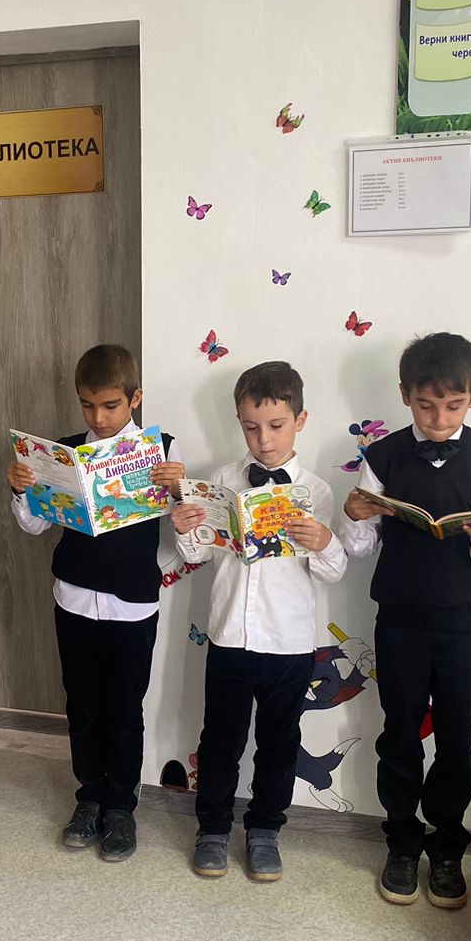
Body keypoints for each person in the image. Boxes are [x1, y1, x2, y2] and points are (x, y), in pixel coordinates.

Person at [339, 332, 471, 909]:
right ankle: (401, 841)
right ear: (405, 396)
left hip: (464, 623)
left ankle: (446, 846)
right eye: (425, 405)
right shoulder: (382, 457)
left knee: (457, 738)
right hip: (399, 620)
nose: (439, 419)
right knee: (399, 733)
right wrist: (355, 515)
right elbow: (360, 547)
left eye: (453, 406)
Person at [6, 344, 184, 861]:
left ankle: (121, 806)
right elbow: (34, 525)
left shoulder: (160, 450)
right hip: (75, 598)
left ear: (135, 398)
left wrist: (179, 492)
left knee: (125, 709)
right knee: (82, 706)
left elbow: (186, 532)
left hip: (133, 603)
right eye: (87, 405)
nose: (98, 418)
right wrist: (21, 491)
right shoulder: (61, 453)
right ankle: (89, 798)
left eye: (110, 405)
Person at [170, 361, 346, 881]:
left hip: (289, 644)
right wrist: (184, 527)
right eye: (251, 427)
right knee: (219, 740)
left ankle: (266, 829)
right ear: (239, 423)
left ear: (300, 421)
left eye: (276, 426)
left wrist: (324, 542)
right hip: (229, 637)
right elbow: (196, 555)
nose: (264, 440)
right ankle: (212, 828)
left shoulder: (317, 490)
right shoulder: (222, 480)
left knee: (279, 743)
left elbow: (332, 572)